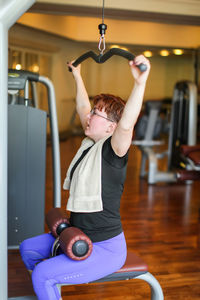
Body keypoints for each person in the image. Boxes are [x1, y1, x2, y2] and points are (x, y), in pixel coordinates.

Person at [19, 55, 150, 300]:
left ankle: (48, 282)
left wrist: (140, 83)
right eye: (92, 112)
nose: (89, 116)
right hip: (78, 233)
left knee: (42, 274)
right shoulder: (90, 142)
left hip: (105, 248)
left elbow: (126, 125)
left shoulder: (114, 150)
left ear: (111, 126)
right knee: (28, 249)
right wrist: (77, 75)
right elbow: (82, 108)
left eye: (96, 114)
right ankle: (50, 289)